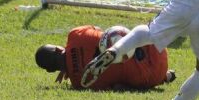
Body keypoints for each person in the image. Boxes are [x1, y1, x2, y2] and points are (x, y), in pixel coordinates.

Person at [34, 25, 175, 91]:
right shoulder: (75, 35)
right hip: (156, 46)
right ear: (58, 49)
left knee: (120, 82)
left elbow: (113, 86)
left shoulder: (79, 83)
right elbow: (103, 30)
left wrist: (69, 67)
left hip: (152, 77)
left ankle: (165, 76)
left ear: (51, 71)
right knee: (118, 34)